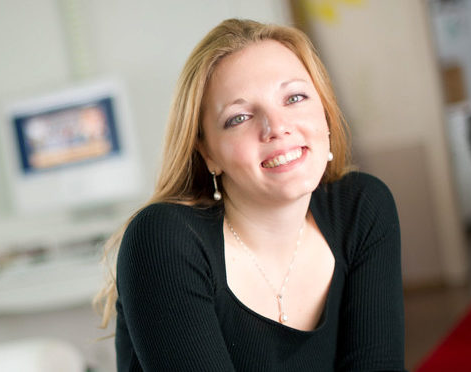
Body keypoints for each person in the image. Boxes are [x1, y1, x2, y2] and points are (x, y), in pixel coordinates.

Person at [93, 19, 405, 371]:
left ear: (326, 113)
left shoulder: (362, 208)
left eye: (295, 97)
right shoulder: (164, 241)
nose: (277, 127)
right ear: (208, 152)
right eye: (239, 117)